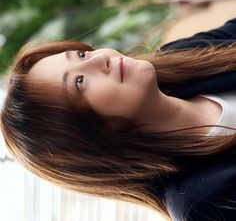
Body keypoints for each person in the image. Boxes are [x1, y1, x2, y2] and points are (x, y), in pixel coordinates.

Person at [1, 18, 236, 220]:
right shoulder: (205, 199)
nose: (99, 58)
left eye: (81, 55)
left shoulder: (180, 55)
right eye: (80, 82)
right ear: (84, 140)